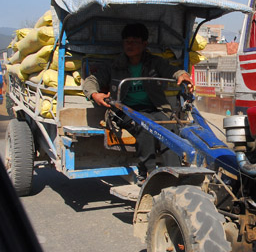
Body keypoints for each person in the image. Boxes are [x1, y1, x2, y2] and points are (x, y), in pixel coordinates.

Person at [82, 23, 193, 184]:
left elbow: (172, 71)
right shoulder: (115, 65)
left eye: (135, 41)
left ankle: (175, 174)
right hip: (124, 111)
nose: (130, 45)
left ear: (144, 44)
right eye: (127, 41)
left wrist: (183, 75)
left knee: (169, 126)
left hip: (155, 107)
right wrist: (94, 94)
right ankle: (147, 172)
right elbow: (92, 81)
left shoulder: (154, 62)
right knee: (145, 125)